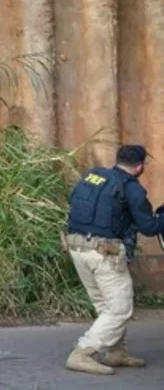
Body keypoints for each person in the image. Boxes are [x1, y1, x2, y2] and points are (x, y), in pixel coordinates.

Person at [63, 144, 164, 375]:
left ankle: (114, 352)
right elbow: (149, 227)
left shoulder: (93, 177)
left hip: (76, 247)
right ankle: (82, 353)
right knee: (119, 309)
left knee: (105, 306)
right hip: (104, 254)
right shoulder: (132, 189)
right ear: (139, 167)